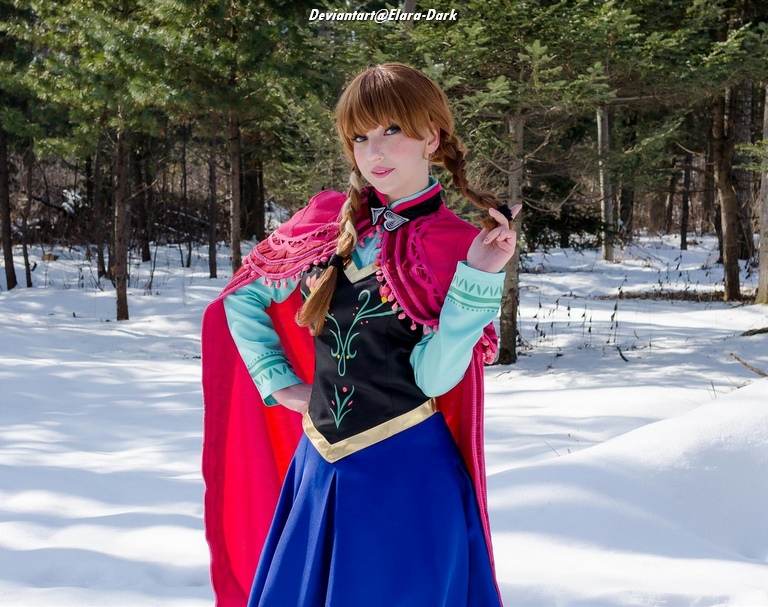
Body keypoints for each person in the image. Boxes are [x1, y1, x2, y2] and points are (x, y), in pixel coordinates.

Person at [201, 62, 520, 607]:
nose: (374, 151)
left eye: (392, 130)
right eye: (359, 136)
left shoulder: (459, 243)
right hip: (319, 469)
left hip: (408, 478)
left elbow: (436, 377)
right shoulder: (328, 221)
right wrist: (278, 382)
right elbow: (245, 294)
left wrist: (480, 277)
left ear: (432, 137)